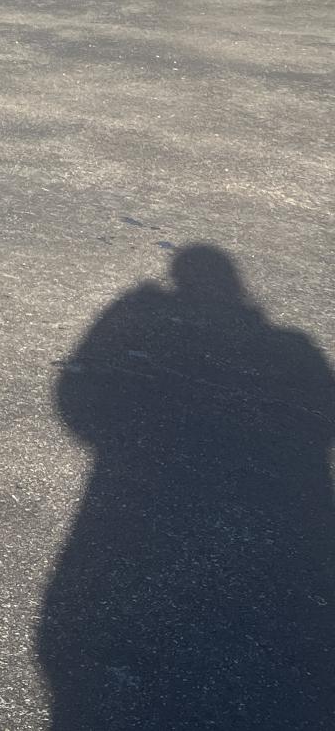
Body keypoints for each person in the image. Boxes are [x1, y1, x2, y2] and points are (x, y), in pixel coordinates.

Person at [38, 245, 335, 728]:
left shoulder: (287, 348)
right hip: (277, 506)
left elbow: (76, 401)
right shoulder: (291, 347)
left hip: (135, 497)